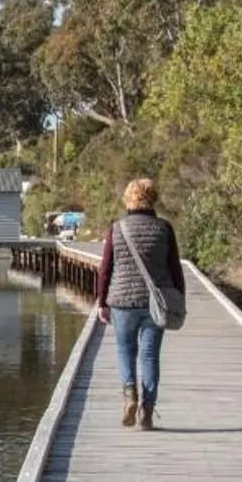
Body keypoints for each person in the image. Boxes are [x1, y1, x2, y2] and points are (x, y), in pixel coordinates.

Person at [95, 177, 184, 430]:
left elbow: (105, 269)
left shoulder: (116, 228)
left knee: (125, 350)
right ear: (153, 198)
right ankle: (147, 410)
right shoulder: (164, 228)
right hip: (155, 302)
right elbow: (174, 268)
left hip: (122, 301)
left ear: (128, 198)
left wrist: (102, 301)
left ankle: (129, 394)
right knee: (149, 355)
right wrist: (179, 298)